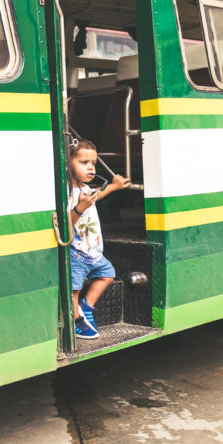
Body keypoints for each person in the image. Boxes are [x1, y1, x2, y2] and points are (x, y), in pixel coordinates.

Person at [67, 138, 131, 340]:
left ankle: (87, 307)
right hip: (76, 253)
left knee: (108, 274)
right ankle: (76, 321)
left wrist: (112, 186)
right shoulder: (67, 192)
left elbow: (97, 195)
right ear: (67, 163)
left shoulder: (85, 189)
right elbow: (67, 223)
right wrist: (80, 207)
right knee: (74, 290)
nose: (91, 168)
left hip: (94, 253)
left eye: (93, 163)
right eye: (83, 163)